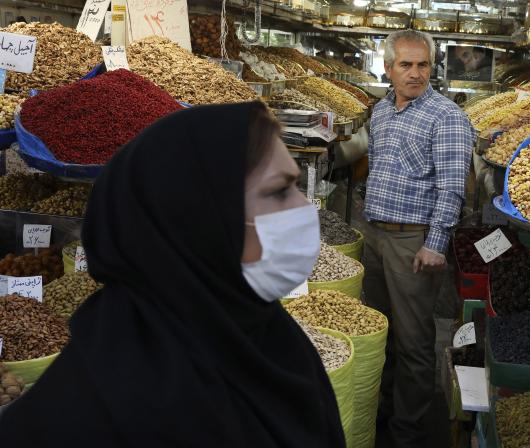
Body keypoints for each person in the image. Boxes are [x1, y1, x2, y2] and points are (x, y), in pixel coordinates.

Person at [0, 102, 345, 447]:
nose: (303, 208)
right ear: (199, 220)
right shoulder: (90, 411)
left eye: (295, 186)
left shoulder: (271, 338)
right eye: (278, 191)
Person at [363, 29, 475, 446]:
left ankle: (407, 432)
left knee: (412, 341)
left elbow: (452, 189)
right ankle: (382, 410)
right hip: (376, 234)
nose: (415, 73)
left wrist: (435, 243)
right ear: (388, 68)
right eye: (405, 64)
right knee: (380, 330)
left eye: (423, 64)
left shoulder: (446, 116)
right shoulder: (380, 111)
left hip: (413, 241)